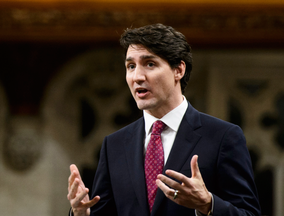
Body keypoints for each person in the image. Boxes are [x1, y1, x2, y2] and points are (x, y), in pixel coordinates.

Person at [67, 23, 261, 216]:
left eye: (150, 64)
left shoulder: (223, 137)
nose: (137, 77)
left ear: (179, 70)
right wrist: (80, 214)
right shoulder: (114, 144)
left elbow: (249, 213)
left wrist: (208, 204)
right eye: (131, 66)